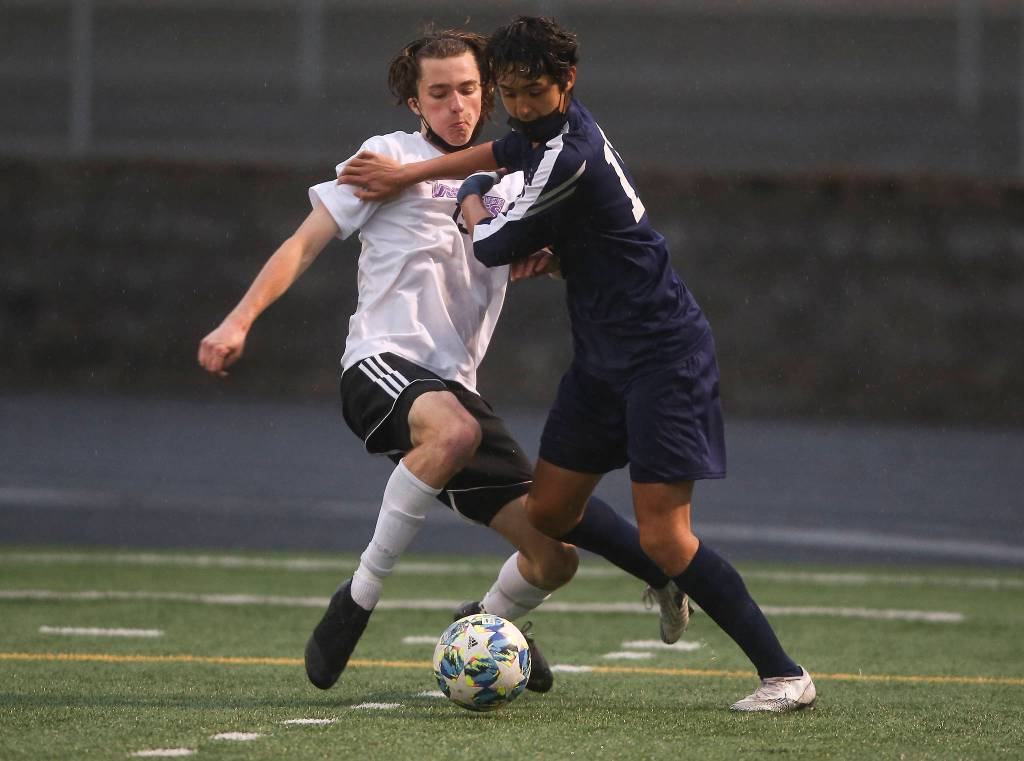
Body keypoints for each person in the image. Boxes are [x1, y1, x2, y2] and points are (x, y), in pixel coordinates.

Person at [338, 16, 816, 713]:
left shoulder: (571, 156)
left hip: (662, 354)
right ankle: (657, 577)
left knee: (664, 531)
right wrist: (428, 175)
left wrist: (470, 202)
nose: (522, 106)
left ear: (568, 83)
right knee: (550, 508)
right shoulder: (538, 134)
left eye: (535, 92)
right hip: (602, 357)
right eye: (511, 93)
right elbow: (500, 148)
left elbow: (492, 244)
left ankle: (784, 673)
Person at [198, 28, 690, 697]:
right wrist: (239, 318)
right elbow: (303, 242)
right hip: (383, 365)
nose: (456, 105)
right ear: (413, 102)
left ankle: (484, 624)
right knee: (453, 432)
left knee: (553, 556)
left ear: (488, 92)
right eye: (438, 93)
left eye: (467, 89)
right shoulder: (386, 158)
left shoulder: (519, 176)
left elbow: (548, 247)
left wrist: (546, 262)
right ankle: (359, 596)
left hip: (455, 389)